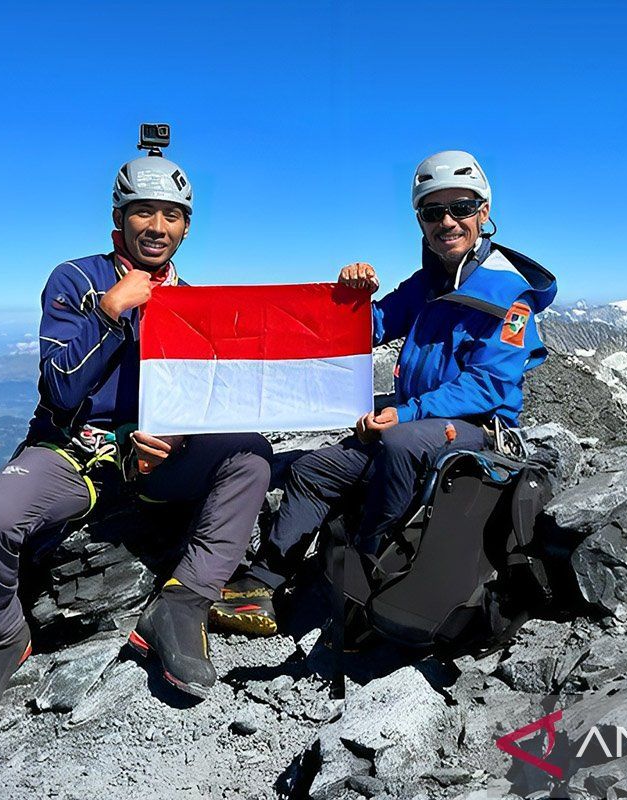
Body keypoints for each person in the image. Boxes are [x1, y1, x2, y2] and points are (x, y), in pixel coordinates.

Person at [0, 139, 272, 737]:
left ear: (186, 228)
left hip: (151, 464)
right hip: (71, 453)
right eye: (143, 211)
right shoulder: (77, 280)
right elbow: (63, 388)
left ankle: (181, 604)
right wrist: (109, 313)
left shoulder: (192, 303)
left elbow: (206, 397)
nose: (157, 225)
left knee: (250, 455)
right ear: (118, 219)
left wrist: (172, 438)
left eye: (171, 215)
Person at [210, 150, 557, 636]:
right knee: (314, 469)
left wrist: (409, 412)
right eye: (433, 212)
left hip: (474, 431)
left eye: (460, 207)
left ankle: (370, 575)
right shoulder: (425, 285)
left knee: (399, 445)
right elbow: (367, 328)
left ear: (483, 213)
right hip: (416, 421)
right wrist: (352, 297)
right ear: (421, 220)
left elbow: (490, 384)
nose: (447, 222)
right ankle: (261, 581)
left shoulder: (508, 295)